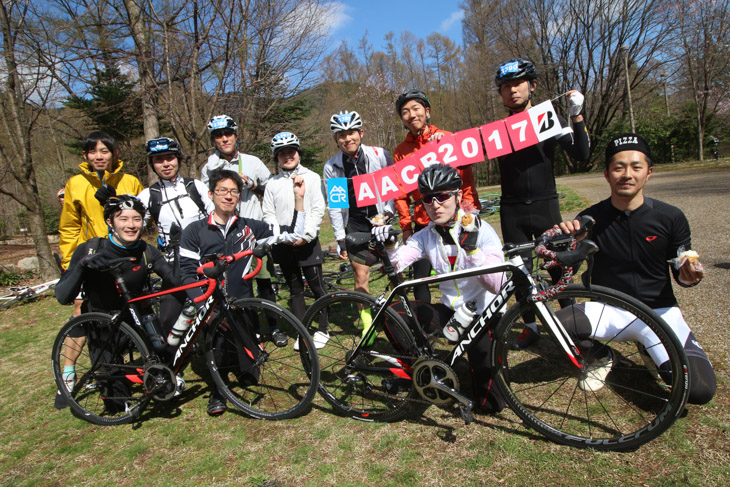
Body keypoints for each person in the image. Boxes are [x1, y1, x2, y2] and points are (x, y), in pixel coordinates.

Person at [556, 133, 716, 405]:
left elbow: (683, 270)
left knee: (699, 391)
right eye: (618, 167)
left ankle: (650, 347)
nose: (626, 174)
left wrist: (689, 277)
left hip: (659, 312)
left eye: (635, 166)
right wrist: (567, 249)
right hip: (609, 310)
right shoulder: (589, 219)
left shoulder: (671, 217)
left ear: (648, 172)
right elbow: (564, 271)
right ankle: (600, 355)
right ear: (607, 174)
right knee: (556, 326)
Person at [371, 164, 507, 413]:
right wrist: (390, 244)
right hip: (450, 311)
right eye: (427, 199)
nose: (435, 205)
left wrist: (473, 251)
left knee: (491, 405)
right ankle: (422, 367)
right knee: (389, 312)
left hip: (484, 315)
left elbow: (497, 285)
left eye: (442, 196)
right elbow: (398, 263)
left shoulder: (482, 230)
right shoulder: (427, 235)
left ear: (457, 196)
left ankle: (474, 362)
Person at [179, 168, 308, 415]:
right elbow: (186, 273)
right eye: (222, 191)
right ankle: (218, 392)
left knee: (249, 372)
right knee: (216, 349)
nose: (229, 196)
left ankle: (240, 367)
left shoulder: (251, 227)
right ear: (211, 195)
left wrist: (299, 199)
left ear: (239, 196)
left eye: (234, 191)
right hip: (211, 306)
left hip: (242, 304)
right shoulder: (194, 231)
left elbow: (293, 233)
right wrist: (204, 307)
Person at [55, 195, 184, 410]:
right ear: (109, 222)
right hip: (102, 326)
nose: (131, 225)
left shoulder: (147, 252)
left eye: (136, 219)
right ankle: (69, 376)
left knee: (164, 365)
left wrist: (177, 249)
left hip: (136, 321)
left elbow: (174, 282)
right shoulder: (91, 248)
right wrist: (82, 266)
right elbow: (63, 296)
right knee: (116, 406)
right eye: (123, 219)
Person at [494, 58, 590, 346]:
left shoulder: (548, 118)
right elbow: (465, 154)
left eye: (518, 84)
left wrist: (576, 116)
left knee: (557, 265)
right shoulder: (496, 130)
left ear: (532, 86)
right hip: (511, 210)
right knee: (519, 271)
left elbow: (582, 156)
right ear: (500, 93)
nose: (512, 90)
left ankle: (573, 322)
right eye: (506, 86)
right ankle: (531, 327)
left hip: (545, 205)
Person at [393, 89, 481, 303]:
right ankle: (426, 329)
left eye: (416, 109)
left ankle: (474, 317)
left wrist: (470, 210)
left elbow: (465, 179)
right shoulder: (400, 150)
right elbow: (400, 192)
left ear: (427, 111)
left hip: (455, 217)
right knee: (419, 279)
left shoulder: (447, 137)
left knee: (467, 271)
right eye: (405, 112)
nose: (412, 115)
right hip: (423, 221)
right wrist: (406, 227)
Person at [58, 132, 144, 320]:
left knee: (134, 309)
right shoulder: (76, 184)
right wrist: (69, 263)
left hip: (127, 254)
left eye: (104, 151)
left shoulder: (130, 181)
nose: (98, 156)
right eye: (92, 152)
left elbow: (144, 218)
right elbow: (69, 227)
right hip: (94, 256)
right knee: (84, 312)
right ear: (85, 155)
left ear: (114, 153)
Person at [199, 115, 276, 310]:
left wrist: (252, 184)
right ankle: (248, 325)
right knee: (238, 283)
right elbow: (206, 200)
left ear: (236, 136)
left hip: (253, 230)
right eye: (218, 135)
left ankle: (274, 325)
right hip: (228, 233)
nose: (224, 139)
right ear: (213, 140)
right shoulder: (208, 168)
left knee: (264, 280)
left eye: (228, 134)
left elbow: (271, 192)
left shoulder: (253, 161)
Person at [262, 132, 329, 348]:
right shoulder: (272, 183)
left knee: (317, 285)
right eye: (282, 154)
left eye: (291, 152)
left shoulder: (312, 177)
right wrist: (280, 236)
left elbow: (318, 208)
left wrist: (306, 235)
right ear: (277, 158)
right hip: (284, 243)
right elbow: (268, 213)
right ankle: (303, 332)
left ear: (298, 153)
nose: (287, 156)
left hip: (307, 242)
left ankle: (323, 329)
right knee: (295, 289)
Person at [323, 110, 395, 298]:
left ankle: (400, 314)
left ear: (360, 134)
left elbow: (392, 187)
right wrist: (340, 238)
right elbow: (336, 206)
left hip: (381, 219)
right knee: (360, 274)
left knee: (395, 269)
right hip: (355, 224)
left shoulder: (379, 155)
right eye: (341, 135)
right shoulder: (332, 167)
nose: (347, 139)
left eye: (351, 133)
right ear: (336, 138)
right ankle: (366, 324)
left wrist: (388, 211)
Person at [137, 137, 213, 271]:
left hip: (207, 256)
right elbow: (133, 227)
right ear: (152, 164)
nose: (166, 164)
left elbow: (217, 218)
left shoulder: (196, 186)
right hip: (174, 262)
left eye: (170, 158)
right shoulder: (148, 195)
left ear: (178, 159)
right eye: (159, 160)